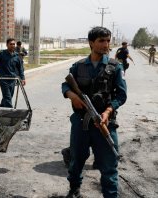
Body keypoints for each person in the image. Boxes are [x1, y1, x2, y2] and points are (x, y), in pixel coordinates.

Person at [61, 26, 127, 198]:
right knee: (76, 161)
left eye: (107, 40)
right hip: (81, 123)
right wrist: (72, 96)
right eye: (101, 41)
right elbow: (66, 85)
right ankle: (74, 189)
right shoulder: (79, 66)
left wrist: (108, 110)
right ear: (91, 43)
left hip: (104, 122)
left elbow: (121, 95)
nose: (106, 44)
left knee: (109, 166)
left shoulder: (115, 67)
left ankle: (110, 195)